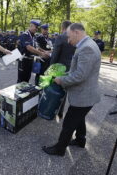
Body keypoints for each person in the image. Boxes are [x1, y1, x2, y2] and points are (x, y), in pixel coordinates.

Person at [42, 23, 101, 156]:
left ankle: (59, 149)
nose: (68, 41)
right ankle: (80, 140)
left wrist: (61, 80)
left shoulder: (87, 48)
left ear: (76, 32)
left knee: (69, 122)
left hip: (84, 95)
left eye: (69, 37)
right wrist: (63, 75)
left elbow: (80, 75)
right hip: (86, 94)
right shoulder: (87, 44)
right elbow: (77, 71)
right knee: (79, 118)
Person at [50, 20, 76, 118]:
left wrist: (50, 68)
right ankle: (60, 111)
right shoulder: (74, 38)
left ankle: (52, 109)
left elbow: (55, 55)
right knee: (64, 90)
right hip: (69, 67)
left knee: (55, 88)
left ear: (63, 27)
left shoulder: (60, 37)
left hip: (58, 68)